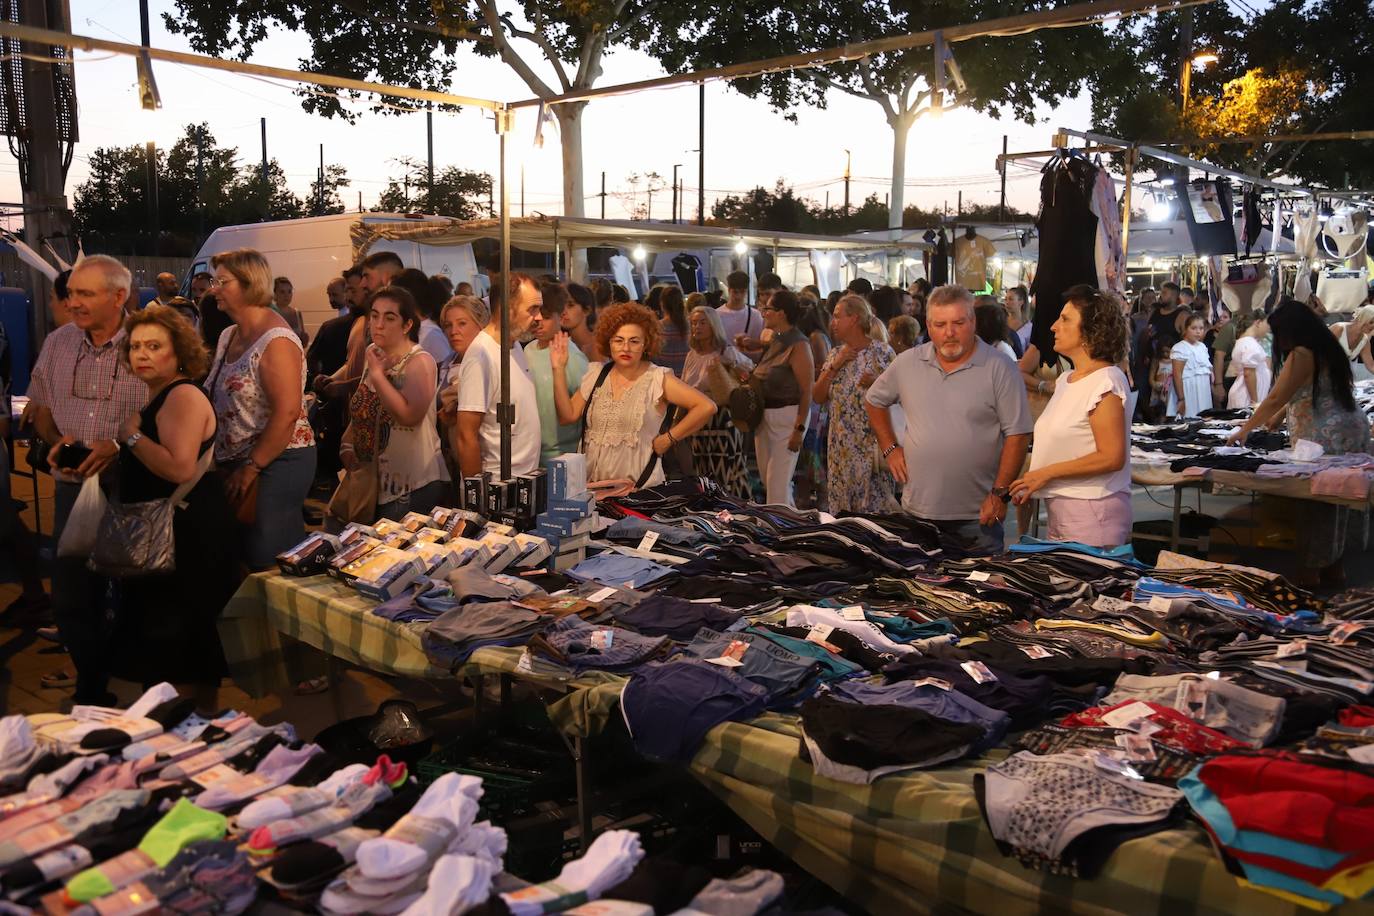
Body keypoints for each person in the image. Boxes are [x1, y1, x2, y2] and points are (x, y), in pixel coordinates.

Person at [28, 255, 145, 703]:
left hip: (134, 487)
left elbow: (173, 406)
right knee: (73, 598)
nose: (72, 302)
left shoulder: (149, 342)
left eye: (84, 294)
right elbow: (39, 406)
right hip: (72, 488)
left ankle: (146, 686)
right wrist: (56, 439)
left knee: (138, 594)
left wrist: (118, 447)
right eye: (72, 293)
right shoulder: (58, 342)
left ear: (118, 296)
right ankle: (93, 687)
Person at [113, 305, 236, 694]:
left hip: (185, 540)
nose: (142, 355)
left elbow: (180, 468)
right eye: (135, 347)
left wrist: (130, 436)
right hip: (170, 536)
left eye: (154, 346)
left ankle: (190, 734)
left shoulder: (181, 397)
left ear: (179, 351)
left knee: (183, 648)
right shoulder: (160, 395)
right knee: (169, 647)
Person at [865, 284, 1032, 555]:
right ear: (928, 326)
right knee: (919, 592)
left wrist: (1000, 494)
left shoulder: (999, 367)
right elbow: (874, 400)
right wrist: (890, 448)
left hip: (977, 518)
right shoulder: (907, 363)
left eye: (958, 323)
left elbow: (1018, 434)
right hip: (917, 513)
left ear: (973, 322)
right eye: (940, 324)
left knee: (979, 594)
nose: (949, 332)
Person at [1227, 299, 1373, 587]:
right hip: (1348, 428)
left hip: (1324, 435)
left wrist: (1244, 430)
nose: (1278, 340)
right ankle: (1334, 568)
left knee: (1316, 502)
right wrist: (1278, 417)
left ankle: (1310, 573)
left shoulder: (1303, 353)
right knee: (1340, 501)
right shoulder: (1326, 347)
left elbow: (1277, 396)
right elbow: (1302, 390)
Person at [204, 248, 317, 570]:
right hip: (240, 461)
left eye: (221, 281)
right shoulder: (230, 334)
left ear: (248, 283)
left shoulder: (276, 340)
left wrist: (252, 466)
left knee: (267, 555)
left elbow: (286, 413)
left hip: (277, 460)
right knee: (240, 554)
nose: (214, 289)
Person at [548, 302, 715, 495]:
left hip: (639, 492)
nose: (625, 347)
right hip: (593, 491)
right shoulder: (597, 374)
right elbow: (567, 416)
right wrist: (558, 369)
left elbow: (706, 406)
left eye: (634, 341)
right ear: (609, 342)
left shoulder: (657, 379)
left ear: (645, 344)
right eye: (618, 340)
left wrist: (669, 439)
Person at [1009, 288, 1131, 547]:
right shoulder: (1066, 380)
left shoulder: (1106, 381)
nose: (1054, 327)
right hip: (1064, 507)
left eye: (1065, 320)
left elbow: (1112, 456)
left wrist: (1045, 474)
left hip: (1093, 510)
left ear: (1091, 329)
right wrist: (1035, 479)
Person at [339, 286, 449, 520]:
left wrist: (379, 376)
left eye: (389, 318)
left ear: (407, 325)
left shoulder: (420, 361)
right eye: (375, 316)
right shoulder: (375, 353)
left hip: (408, 487)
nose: (378, 324)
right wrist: (348, 443)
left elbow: (409, 417)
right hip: (372, 482)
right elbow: (365, 404)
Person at [813, 294, 899, 514]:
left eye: (837, 317)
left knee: (875, 512)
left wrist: (876, 383)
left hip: (873, 448)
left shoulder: (882, 353)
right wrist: (835, 365)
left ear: (854, 319)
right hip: (840, 448)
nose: (833, 323)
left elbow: (901, 393)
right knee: (843, 514)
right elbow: (818, 396)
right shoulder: (835, 354)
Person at [455, 272, 543, 478]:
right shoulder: (481, 355)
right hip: (497, 487)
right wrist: (479, 499)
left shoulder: (514, 345)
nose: (539, 317)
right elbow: (466, 436)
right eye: (533, 309)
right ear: (506, 310)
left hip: (522, 484)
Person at [750, 289, 814, 507]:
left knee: (776, 484)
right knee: (773, 484)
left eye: (767, 308)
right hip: (764, 417)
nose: (763, 312)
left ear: (781, 313)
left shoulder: (799, 345)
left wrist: (798, 429)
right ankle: (790, 527)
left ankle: (777, 531)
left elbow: (807, 390)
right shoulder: (775, 340)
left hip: (788, 416)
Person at [683, 303, 753, 498]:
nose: (697, 327)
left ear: (713, 325)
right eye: (694, 323)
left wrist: (732, 368)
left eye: (702, 323)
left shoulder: (725, 351)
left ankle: (733, 506)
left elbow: (749, 371)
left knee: (726, 469)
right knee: (702, 469)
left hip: (722, 417)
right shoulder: (692, 355)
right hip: (698, 418)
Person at [525, 282, 588, 464]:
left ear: (561, 317)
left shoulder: (573, 358)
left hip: (562, 456)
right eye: (534, 314)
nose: (537, 321)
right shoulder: (527, 350)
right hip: (529, 453)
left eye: (545, 316)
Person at [1168, 313, 1213, 417]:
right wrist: (1181, 399)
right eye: (1194, 328)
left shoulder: (1202, 346)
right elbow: (1177, 375)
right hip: (1188, 389)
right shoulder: (1180, 348)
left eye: (1201, 328)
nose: (1198, 331)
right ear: (1186, 329)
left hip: (1203, 389)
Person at [1228, 309, 1272, 409]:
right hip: (1246, 398)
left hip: (1246, 396)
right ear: (1258, 323)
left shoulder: (1246, 342)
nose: (1268, 328)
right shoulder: (1250, 344)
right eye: (1267, 324)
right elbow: (1249, 373)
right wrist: (1255, 401)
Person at [716, 270, 762, 353]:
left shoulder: (756, 316)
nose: (738, 296)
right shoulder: (716, 315)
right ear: (729, 290)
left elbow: (759, 343)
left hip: (748, 362)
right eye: (735, 292)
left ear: (746, 291)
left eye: (742, 292)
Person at [1329, 304, 1374, 381]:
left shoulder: (1364, 341)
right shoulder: (1339, 329)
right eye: (1372, 323)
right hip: (1326, 373)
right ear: (1365, 320)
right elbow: (1322, 352)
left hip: (1343, 378)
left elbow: (1371, 366)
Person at [562, 282, 604, 362]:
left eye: (570, 305)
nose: (563, 311)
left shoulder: (601, 345)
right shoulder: (562, 344)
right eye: (560, 305)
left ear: (587, 310)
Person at [655, 284, 690, 377]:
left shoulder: (656, 327)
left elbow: (653, 358)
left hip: (664, 379)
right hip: (686, 380)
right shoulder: (692, 326)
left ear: (662, 304)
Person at [272, 276, 309, 347]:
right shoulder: (271, 313)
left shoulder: (297, 313)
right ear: (275, 293)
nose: (286, 295)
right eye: (282, 292)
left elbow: (303, 343)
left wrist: (305, 339)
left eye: (289, 291)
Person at [1004, 285, 1032, 354]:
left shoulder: (1029, 327)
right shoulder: (1002, 322)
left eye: (1011, 299)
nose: (1007, 302)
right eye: (1006, 299)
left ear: (1021, 302)